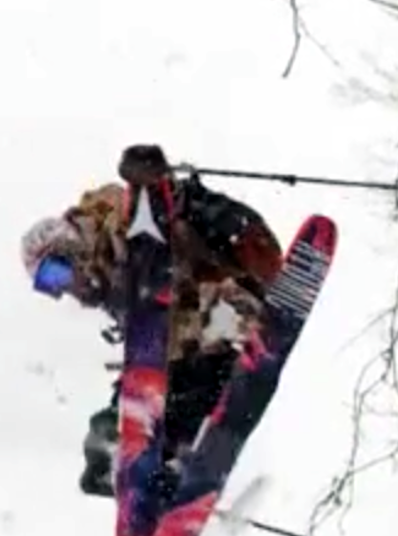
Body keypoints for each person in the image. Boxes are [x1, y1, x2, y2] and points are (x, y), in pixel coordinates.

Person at [21, 155, 284, 496]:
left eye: (55, 275)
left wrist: (153, 189)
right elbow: (146, 349)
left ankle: (174, 451)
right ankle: (163, 473)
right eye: (49, 287)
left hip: (227, 299)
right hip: (192, 338)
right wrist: (117, 423)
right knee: (147, 411)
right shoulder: (111, 287)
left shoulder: (118, 231)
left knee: (180, 380)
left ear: (69, 248)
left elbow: (146, 224)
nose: (62, 290)